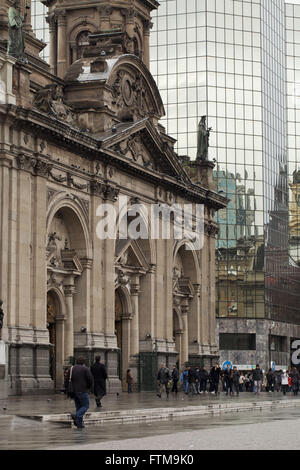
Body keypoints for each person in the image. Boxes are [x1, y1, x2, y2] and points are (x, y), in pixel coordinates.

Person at [65, 356, 93, 429]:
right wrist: (88, 387)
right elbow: (90, 379)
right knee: (85, 406)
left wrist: (67, 390)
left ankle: (79, 424)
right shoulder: (85, 369)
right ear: (83, 362)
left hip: (73, 391)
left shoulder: (71, 369)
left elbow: (67, 380)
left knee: (79, 407)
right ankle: (76, 416)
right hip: (82, 390)